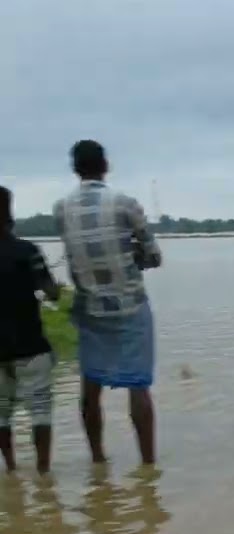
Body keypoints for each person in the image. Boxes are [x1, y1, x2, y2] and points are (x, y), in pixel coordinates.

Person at [54, 140, 163, 465]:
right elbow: (154, 257)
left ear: (75, 169)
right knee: (139, 386)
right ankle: (148, 465)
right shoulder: (125, 204)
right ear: (106, 165)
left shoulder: (61, 208)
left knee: (90, 386)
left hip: (89, 309)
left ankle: (98, 459)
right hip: (129, 305)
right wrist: (135, 257)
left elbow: (75, 256)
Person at [1, 186, 62, 473]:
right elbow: (51, 293)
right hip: (31, 345)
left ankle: (11, 468)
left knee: (1, 415)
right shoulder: (28, 251)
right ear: (10, 217)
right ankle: (43, 471)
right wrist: (54, 289)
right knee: (40, 411)